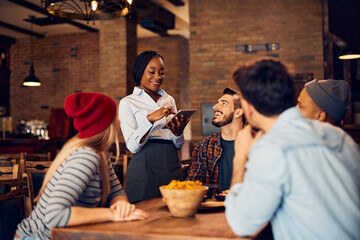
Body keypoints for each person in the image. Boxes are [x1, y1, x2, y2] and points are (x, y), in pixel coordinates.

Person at [225, 58, 360, 239]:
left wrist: (240, 158)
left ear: (248, 108)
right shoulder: (339, 137)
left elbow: (242, 223)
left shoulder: (272, 148)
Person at [15, 92, 149, 240]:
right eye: (116, 116)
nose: (120, 122)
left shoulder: (100, 152)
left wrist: (121, 205)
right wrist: (112, 214)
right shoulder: (86, 156)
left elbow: (115, 191)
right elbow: (54, 215)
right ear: (106, 124)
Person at [119, 51, 189, 203]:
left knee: (174, 212)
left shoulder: (169, 99)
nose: (158, 77)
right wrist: (150, 119)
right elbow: (132, 146)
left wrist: (178, 133)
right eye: (152, 72)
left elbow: (178, 144)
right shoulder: (128, 102)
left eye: (162, 72)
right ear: (140, 72)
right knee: (143, 216)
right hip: (143, 166)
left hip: (171, 163)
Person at [186, 88, 245, 191]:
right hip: (214, 206)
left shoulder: (257, 144)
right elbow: (192, 186)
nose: (215, 107)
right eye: (217, 103)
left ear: (238, 112)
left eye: (224, 103)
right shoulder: (204, 147)